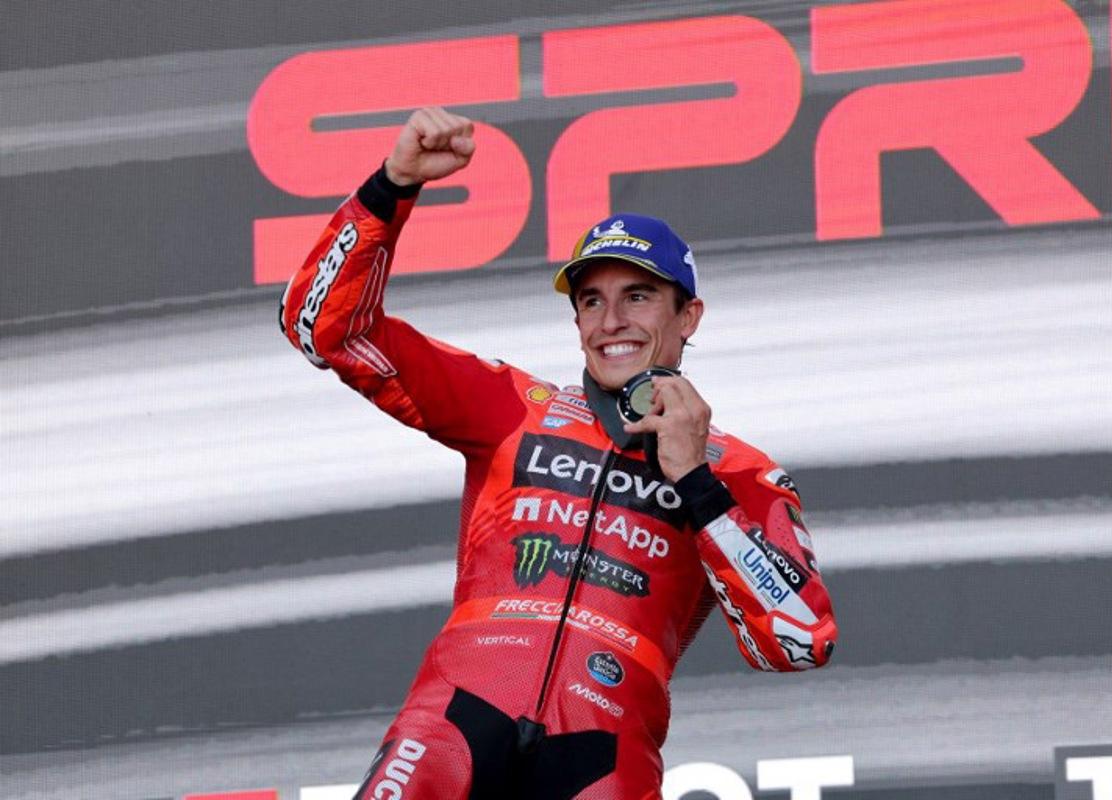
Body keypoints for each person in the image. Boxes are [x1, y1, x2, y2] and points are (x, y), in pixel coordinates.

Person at [279, 106, 837, 800]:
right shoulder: (510, 403)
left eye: (638, 296)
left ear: (688, 315)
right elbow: (322, 328)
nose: (612, 322)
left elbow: (796, 641)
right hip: (455, 718)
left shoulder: (739, 471)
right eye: (591, 300)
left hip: (602, 752)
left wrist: (696, 483)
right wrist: (391, 188)